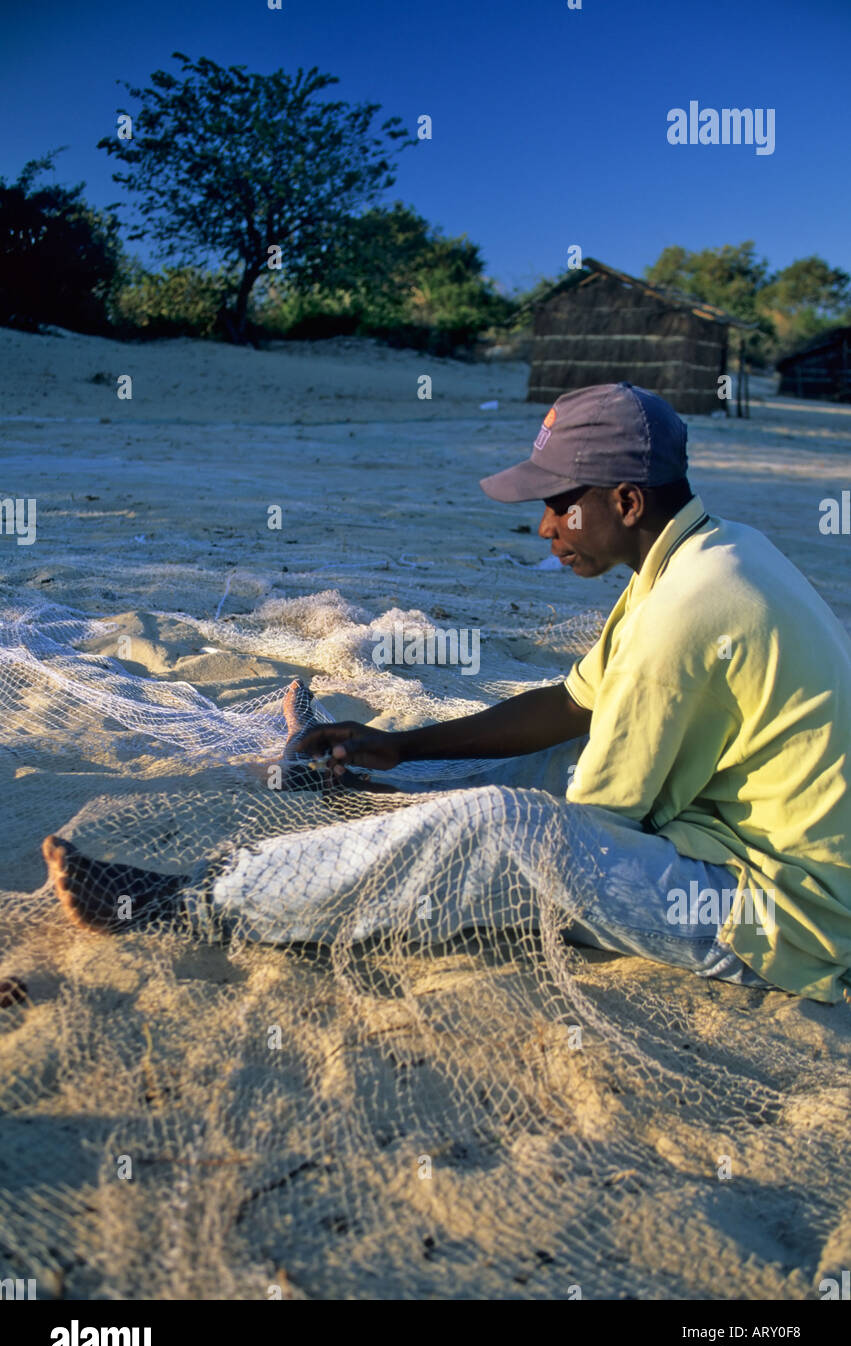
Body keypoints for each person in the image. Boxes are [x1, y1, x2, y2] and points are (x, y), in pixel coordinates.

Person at [43, 382, 851, 1002]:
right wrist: (403, 749)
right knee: (559, 758)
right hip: (736, 840)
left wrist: (458, 816)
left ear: (627, 502)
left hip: (783, 919)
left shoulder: (689, 607)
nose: (544, 528)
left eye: (559, 505)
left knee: (509, 830)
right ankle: (359, 787)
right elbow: (572, 705)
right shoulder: (707, 554)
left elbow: (583, 832)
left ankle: (198, 901)